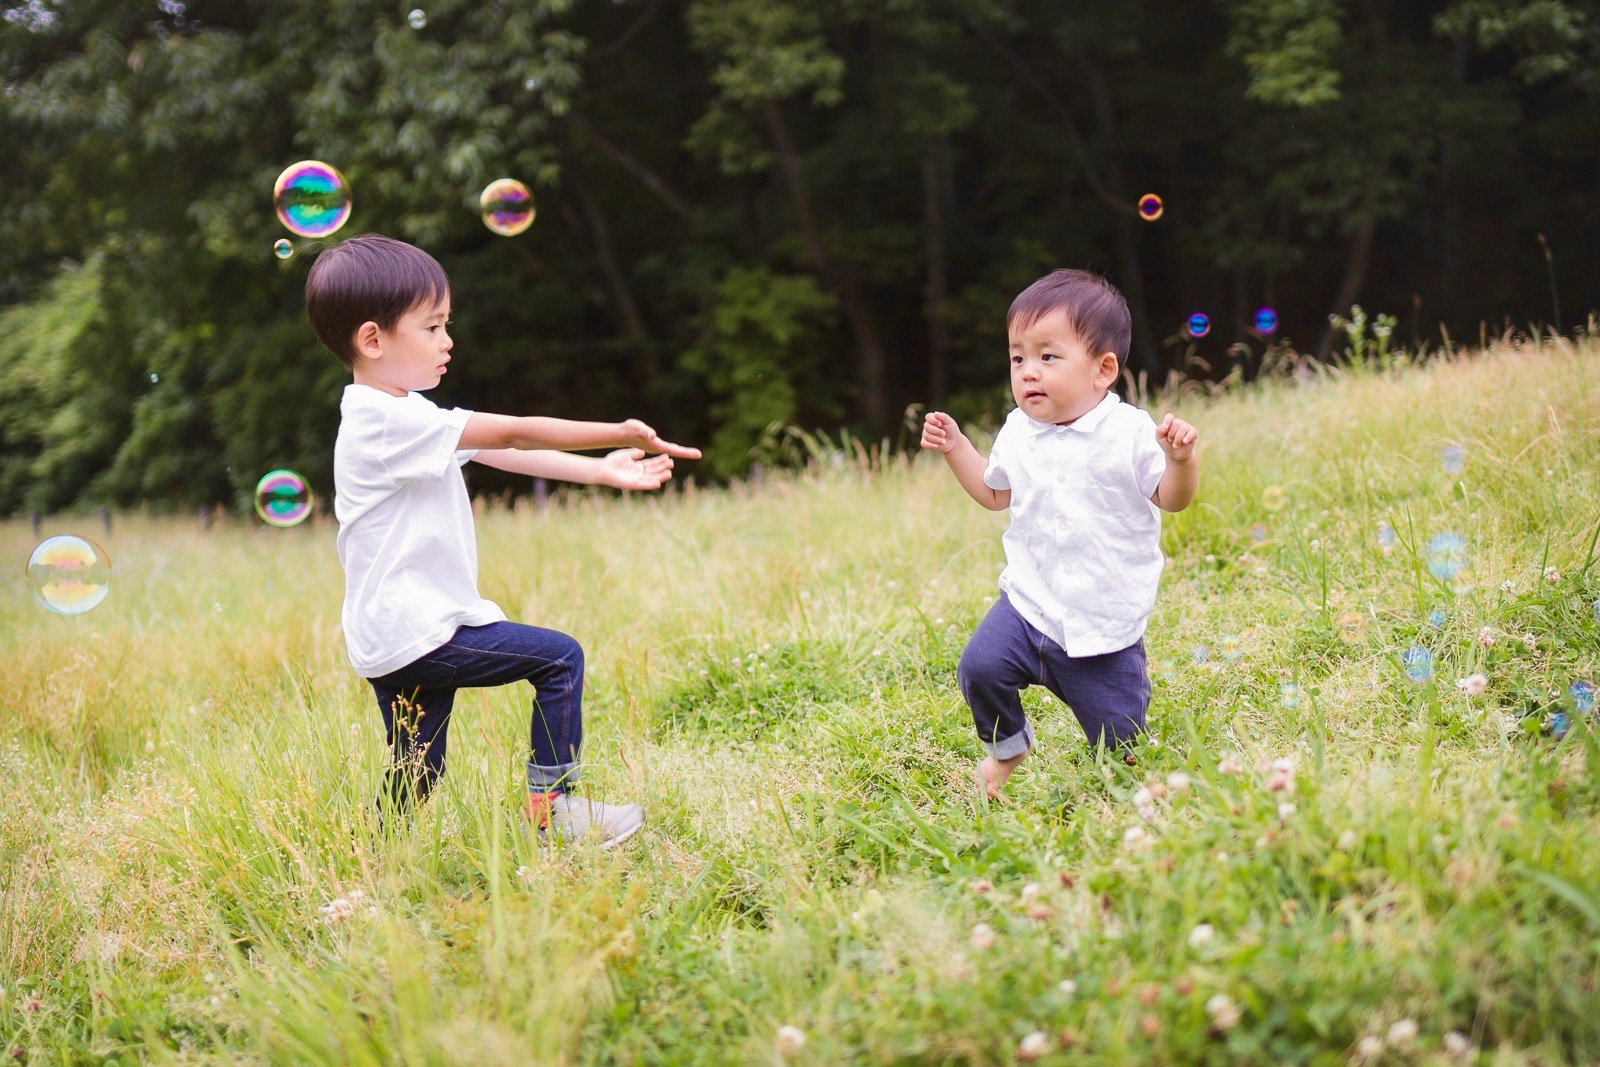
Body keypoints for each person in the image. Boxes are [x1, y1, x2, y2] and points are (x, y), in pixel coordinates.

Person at [305, 234, 700, 845]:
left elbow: (491, 451)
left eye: (447, 324)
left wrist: (601, 470)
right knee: (559, 658)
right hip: (420, 631)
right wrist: (614, 431)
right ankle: (556, 813)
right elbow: (513, 434)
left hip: (392, 633)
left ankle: (367, 869)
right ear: (373, 339)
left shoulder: (393, 415)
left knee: (417, 770)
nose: (448, 341)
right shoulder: (388, 420)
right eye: (433, 326)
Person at [920, 268, 1198, 799]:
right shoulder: (1018, 432)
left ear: (1103, 369)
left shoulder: (1130, 433)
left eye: (1048, 357)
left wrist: (1179, 459)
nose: (1028, 372)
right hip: (1029, 605)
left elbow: (1173, 498)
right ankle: (1009, 747)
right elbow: (993, 492)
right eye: (1017, 357)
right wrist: (957, 446)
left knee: (1120, 747)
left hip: (1103, 624)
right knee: (979, 669)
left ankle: (1130, 790)